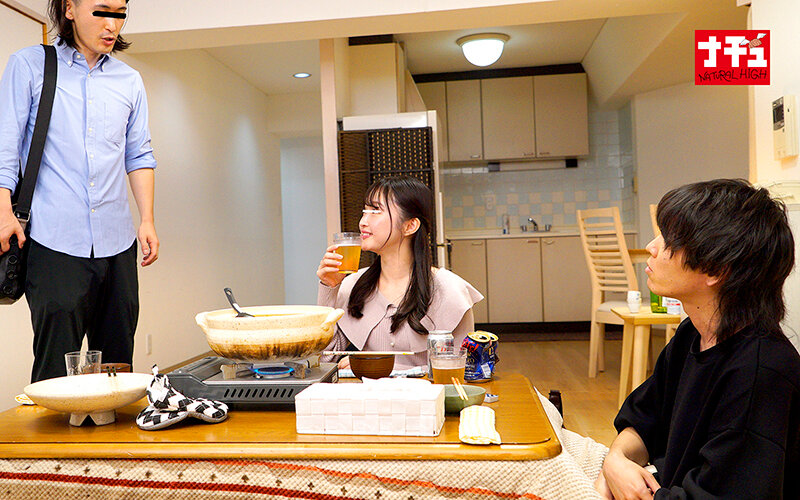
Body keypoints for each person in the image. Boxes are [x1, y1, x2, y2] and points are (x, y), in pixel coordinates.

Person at [595, 179, 800, 499]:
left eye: (668, 240)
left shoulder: (760, 372)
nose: (651, 247)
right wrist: (616, 461)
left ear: (715, 268)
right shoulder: (693, 334)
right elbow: (644, 419)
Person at [0, 0, 159, 382]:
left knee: (118, 369)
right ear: (69, 9)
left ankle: (110, 425)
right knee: (56, 369)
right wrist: (4, 210)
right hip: (53, 240)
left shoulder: (129, 80)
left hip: (118, 243)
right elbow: (5, 145)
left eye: (120, 13)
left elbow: (138, 154)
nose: (112, 25)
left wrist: (147, 220)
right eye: (101, 11)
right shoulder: (30, 65)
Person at [317, 176, 483, 371]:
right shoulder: (353, 285)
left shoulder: (449, 290)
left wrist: (381, 367)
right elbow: (325, 359)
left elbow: (460, 369)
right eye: (364, 211)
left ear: (410, 226)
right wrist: (329, 287)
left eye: (375, 211)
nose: (362, 222)